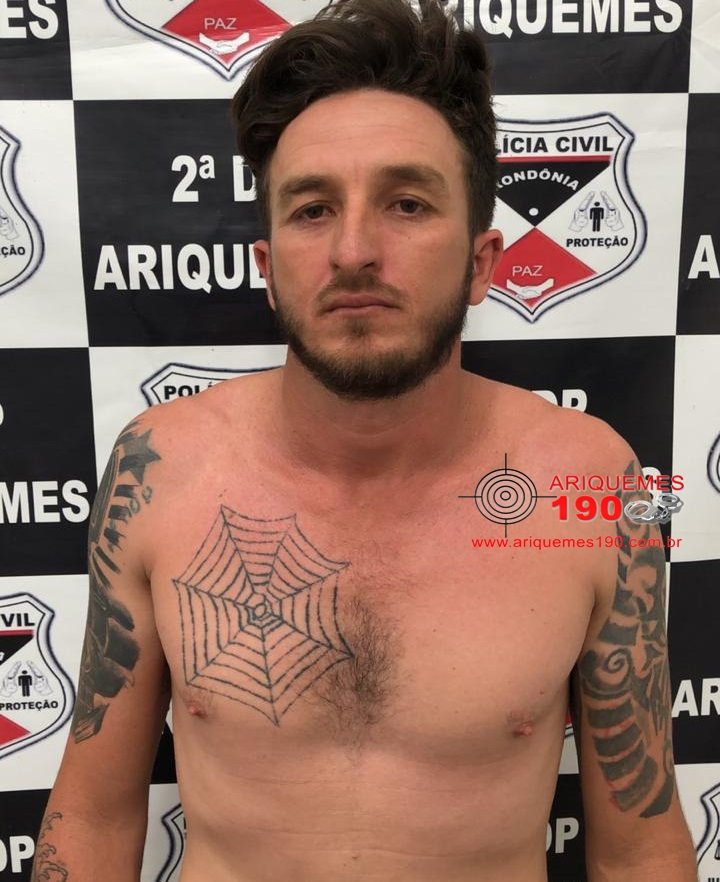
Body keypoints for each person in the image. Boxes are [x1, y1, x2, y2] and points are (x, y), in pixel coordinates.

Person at [33, 1, 698, 880]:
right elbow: (90, 821)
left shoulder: (594, 484)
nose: (353, 250)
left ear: (482, 262)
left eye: (407, 203)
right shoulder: (158, 469)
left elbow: (640, 850)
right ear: (268, 270)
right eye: (312, 209)